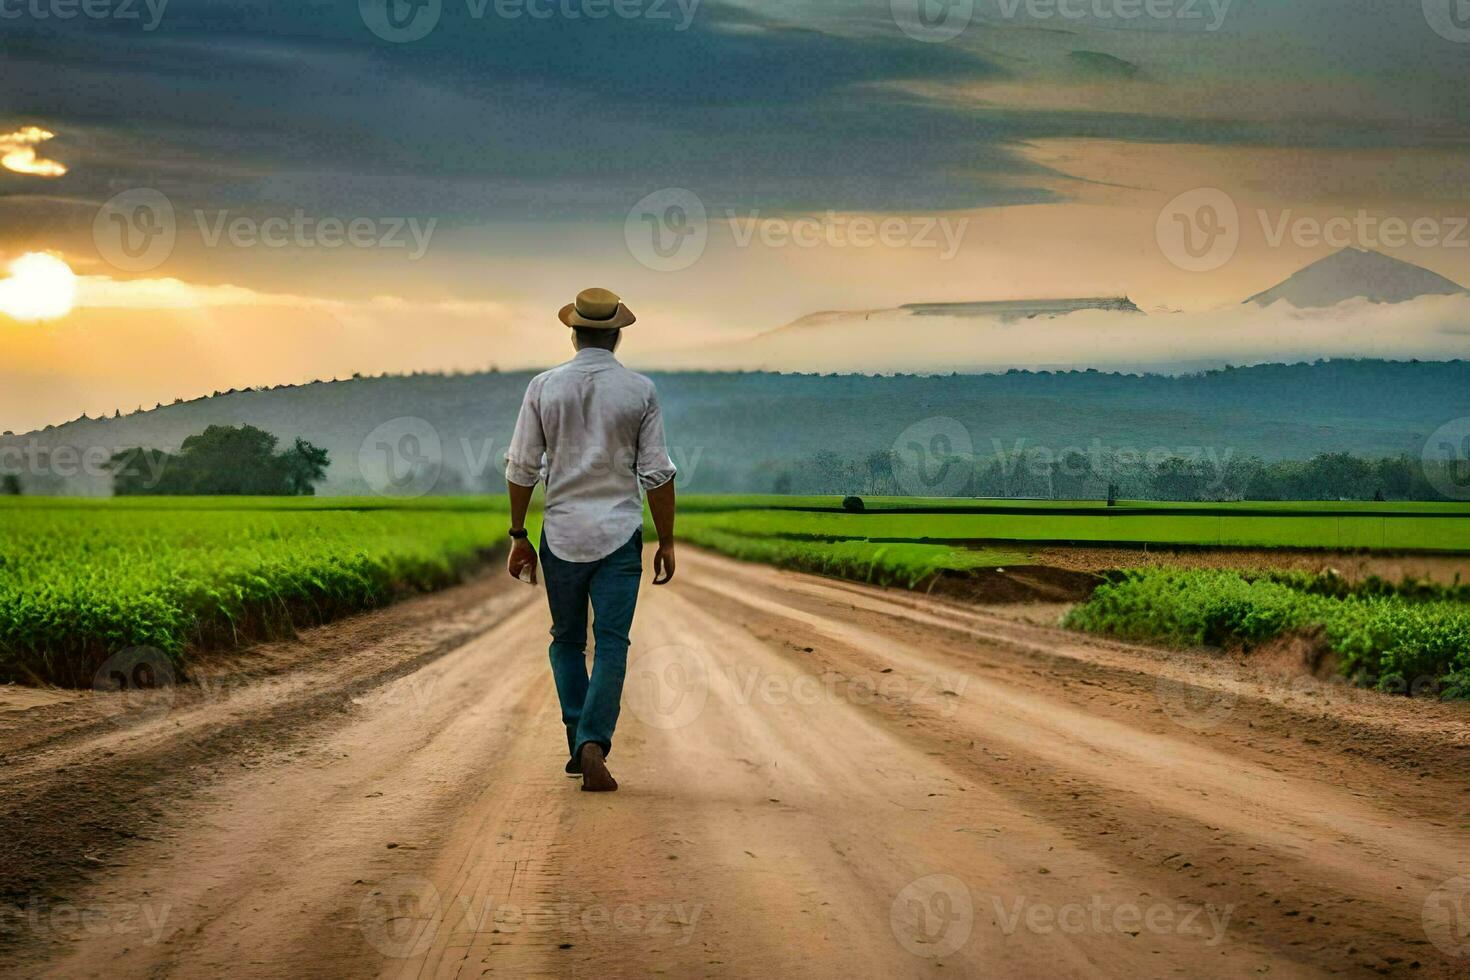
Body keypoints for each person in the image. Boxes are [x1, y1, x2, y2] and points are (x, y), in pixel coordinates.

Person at [504, 287, 677, 792]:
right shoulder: (640, 391)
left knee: (566, 641)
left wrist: (518, 534)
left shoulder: (543, 387)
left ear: (574, 334)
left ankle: (579, 733)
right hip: (620, 533)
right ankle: (593, 740)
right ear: (617, 335)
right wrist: (665, 540)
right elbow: (657, 475)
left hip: (560, 534)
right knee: (613, 643)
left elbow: (521, 468)